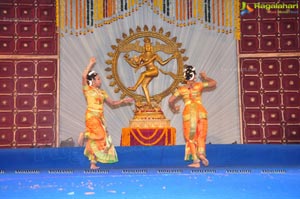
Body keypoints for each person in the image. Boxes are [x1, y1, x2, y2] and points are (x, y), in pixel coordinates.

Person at [78, 57, 134, 169]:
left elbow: (112, 103)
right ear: (93, 80)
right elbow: (84, 76)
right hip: (91, 116)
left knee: (98, 140)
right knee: (100, 135)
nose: (100, 81)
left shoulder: (102, 92)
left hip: (100, 117)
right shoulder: (87, 89)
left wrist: (123, 101)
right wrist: (90, 63)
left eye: (100, 79)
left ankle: (93, 164)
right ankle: (84, 134)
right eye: (98, 79)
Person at [168, 65, 217, 168]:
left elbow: (170, 100)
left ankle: (196, 160)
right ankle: (201, 153)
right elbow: (214, 83)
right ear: (194, 76)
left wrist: (173, 108)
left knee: (190, 137)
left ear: (184, 77)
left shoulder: (181, 89)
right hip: (200, 111)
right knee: (201, 135)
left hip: (188, 113)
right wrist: (205, 77)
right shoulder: (199, 85)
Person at [124, 37, 175, 106]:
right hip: (148, 72)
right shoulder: (142, 56)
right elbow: (136, 65)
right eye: (146, 46)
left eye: (149, 46)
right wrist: (128, 60)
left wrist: (171, 58)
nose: (147, 47)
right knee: (144, 86)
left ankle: (135, 87)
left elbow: (162, 63)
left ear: (151, 47)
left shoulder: (154, 55)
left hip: (154, 71)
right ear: (144, 47)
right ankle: (149, 103)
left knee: (143, 73)